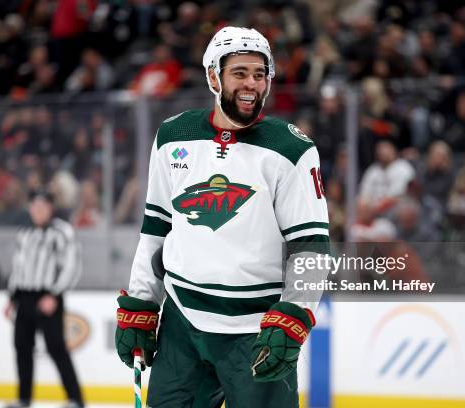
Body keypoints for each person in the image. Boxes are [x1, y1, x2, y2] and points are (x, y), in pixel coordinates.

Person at [114, 27, 330, 407]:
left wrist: (296, 312)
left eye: (260, 75)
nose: (252, 84)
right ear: (214, 76)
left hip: (256, 331)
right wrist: (141, 301)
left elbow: (311, 246)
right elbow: (156, 229)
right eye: (240, 73)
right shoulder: (173, 137)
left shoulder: (291, 149)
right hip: (182, 325)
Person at [4, 190, 84, 408]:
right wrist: (12, 297)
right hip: (25, 297)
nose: (38, 211)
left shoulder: (62, 232)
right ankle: (24, 399)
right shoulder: (24, 233)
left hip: (48, 298)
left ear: (51, 208)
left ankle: (75, 399)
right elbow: (18, 267)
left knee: (56, 348)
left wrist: (55, 294)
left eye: (43, 206)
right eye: (34, 206)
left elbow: (72, 266)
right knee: (22, 346)